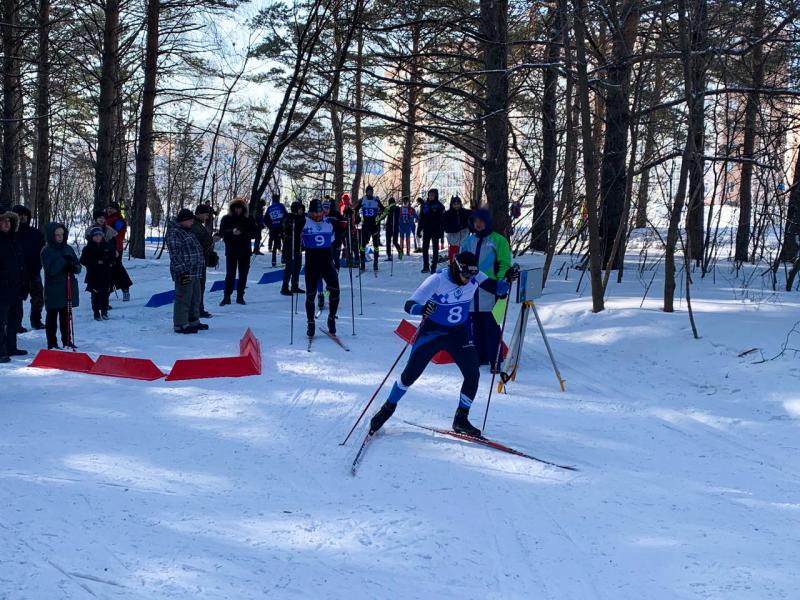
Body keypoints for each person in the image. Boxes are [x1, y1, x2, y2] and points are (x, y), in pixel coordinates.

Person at [368, 251, 511, 437]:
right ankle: (387, 408)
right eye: (465, 275)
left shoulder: (474, 275)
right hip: (432, 332)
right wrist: (422, 308)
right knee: (410, 375)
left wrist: (508, 280)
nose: (468, 280)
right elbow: (409, 305)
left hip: (458, 333)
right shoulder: (437, 279)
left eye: (471, 276)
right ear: (456, 268)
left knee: (472, 374)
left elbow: (498, 289)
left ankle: (461, 419)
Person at [460, 208, 512, 370]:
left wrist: (501, 281)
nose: (478, 224)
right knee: (475, 325)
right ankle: (479, 357)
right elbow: (460, 262)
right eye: (475, 222)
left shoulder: (498, 240)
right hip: (471, 290)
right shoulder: (468, 241)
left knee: (491, 325)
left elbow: (504, 263)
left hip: (491, 289)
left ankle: (495, 359)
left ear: (487, 221)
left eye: (481, 221)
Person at [302, 198, 341, 337]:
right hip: (312, 262)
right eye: (315, 214)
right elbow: (290, 231)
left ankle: (331, 318)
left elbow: (333, 242)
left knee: (334, 290)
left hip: (326, 261)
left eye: (320, 213)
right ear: (310, 213)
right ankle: (310, 322)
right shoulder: (304, 223)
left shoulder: (328, 223)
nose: (318, 216)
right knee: (310, 294)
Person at [41, 222, 81, 350]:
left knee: (66, 316)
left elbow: (78, 266)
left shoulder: (68, 248)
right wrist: (63, 261)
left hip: (67, 288)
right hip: (53, 290)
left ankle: (67, 341)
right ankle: (52, 343)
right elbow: (50, 270)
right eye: (57, 235)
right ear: (51, 236)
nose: (60, 237)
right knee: (52, 317)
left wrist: (74, 267)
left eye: (62, 235)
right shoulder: (46, 251)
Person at [167, 209, 206, 334]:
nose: (192, 223)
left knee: (195, 297)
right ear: (184, 220)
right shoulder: (175, 233)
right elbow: (175, 254)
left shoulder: (187, 231)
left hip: (195, 271)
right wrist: (182, 270)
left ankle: (193, 321)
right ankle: (180, 324)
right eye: (190, 220)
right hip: (184, 272)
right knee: (183, 298)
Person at [0, 211, 28, 361]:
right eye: (3, 221)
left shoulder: (14, 239)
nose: (6, 224)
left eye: (9, 221)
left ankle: (11, 347)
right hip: (2, 288)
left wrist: (24, 283)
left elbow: (21, 263)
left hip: (15, 287)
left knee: (14, 319)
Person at [12, 205, 45, 331]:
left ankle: (36, 321)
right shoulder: (11, 233)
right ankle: (16, 324)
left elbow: (43, 251)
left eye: (25, 214)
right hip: (17, 273)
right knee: (17, 300)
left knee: (38, 298)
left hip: (34, 271)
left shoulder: (35, 233)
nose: (23, 217)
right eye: (20, 215)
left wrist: (39, 265)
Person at [218, 199, 257, 305]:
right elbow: (222, 232)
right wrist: (232, 232)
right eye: (236, 208)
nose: (238, 210)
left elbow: (255, 233)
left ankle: (240, 295)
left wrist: (243, 232)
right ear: (232, 208)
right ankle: (227, 296)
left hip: (245, 250)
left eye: (240, 208)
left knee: (243, 274)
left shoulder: (249, 219)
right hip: (231, 250)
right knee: (230, 274)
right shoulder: (227, 219)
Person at [80, 227, 115, 321]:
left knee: (105, 294)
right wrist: (95, 262)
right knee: (95, 294)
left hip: (106, 274)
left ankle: (104, 312)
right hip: (93, 274)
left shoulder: (106, 246)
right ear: (92, 237)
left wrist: (109, 261)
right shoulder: (88, 248)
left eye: (100, 235)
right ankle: (96, 313)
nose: (98, 237)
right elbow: (83, 260)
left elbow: (112, 258)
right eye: (96, 235)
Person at [191, 204, 219, 319]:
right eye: (206, 214)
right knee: (198, 287)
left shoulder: (199, 225)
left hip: (200, 260)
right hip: (197, 261)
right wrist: (212, 240)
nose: (207, 217)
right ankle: (197, 309)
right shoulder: (195, 226)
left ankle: (198, 308)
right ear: (199, 213)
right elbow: (200, 244)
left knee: (200, 287)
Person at [105, 202, 132, 301]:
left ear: (117, 210)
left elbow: (115, 234)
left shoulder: (119, 220)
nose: (109, 210)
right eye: (108, 208)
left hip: (116, 248)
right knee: (109, 270)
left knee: (117, 268)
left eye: (111, 208)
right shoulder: (106, 219)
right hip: (107, 248)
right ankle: (108, 290)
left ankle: (125, 288)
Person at [354, 185, 385, 272]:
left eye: (371, 191)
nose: (369, 193)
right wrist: (354, 215)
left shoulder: (376, 200)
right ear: (366, 192)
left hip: (374, 225)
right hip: (365, 225)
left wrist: (379, 217)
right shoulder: (363, 199)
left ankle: (375, 262)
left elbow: (384, 210)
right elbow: (355, 209)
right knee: (363, 245)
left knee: (375, 244)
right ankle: (362, 263)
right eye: (368, 191)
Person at [280, 201, 305, 296]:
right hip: (290, 245)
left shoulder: (302, 218)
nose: (301, 211)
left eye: (302, 209)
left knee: (297, 266)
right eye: (300, 209)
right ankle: (285, 287)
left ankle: (295, 285)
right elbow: (285, 227)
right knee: (289, 266)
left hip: (298, 245)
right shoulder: (288, 217)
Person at [417, 188, 445, 273]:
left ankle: (434, 267)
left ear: (436, 195)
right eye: (429, 195)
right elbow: (421, 218)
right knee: (425, 248)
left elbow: (442, 220)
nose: (431, 197)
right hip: (426, 230)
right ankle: (426, 266)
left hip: (435, 230)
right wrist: (419, 230)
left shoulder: (440, 206)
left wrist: (441, 233)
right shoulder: (424, 205)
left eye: (432, 195)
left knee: (435, 249)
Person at [442, 196, 472, 264]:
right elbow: (446, 227)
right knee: (453, 259)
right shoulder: (447, 214)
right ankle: (453, 268)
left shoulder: (466, 212)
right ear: (452, 205)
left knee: (464, 258)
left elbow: (473, 221)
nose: (456, 206)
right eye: (454, 204)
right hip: (453, 240)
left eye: (458, 204)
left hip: (464, 239)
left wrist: (467, 226)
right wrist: (456, 228)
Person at [266, 194, 287, 267]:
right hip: (281, 226)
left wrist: (270, 226)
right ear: (278, 199)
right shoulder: (281, 206)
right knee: (284, 242)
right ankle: (283, 258)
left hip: (274, 227)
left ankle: (273, 260)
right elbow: (286, 215)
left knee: (275, 244)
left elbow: (265, 219)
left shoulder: (269, 208)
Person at [381, 197, 403, 261]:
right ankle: (389, 255)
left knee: (394, 241)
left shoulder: (397, 208)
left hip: (394, 226)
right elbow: (384, 215)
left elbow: (398, 213)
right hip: (389, 227)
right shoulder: (388, 208)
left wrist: (393, 209)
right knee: (389, 242)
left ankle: (400, 251)